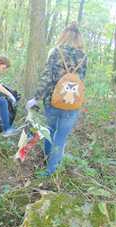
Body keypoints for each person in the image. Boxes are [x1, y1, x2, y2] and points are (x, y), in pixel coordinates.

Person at [25, 21, 88, 176]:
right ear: (79, 39)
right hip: (72, 104)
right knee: (60, 140)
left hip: (51, 102)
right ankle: (50, 174)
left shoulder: (56, 51)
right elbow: (80, 80)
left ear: (63, 36)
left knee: (50, 130)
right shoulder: (84, 57)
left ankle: (47, 156)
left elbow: (47, 77)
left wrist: (35, 98)